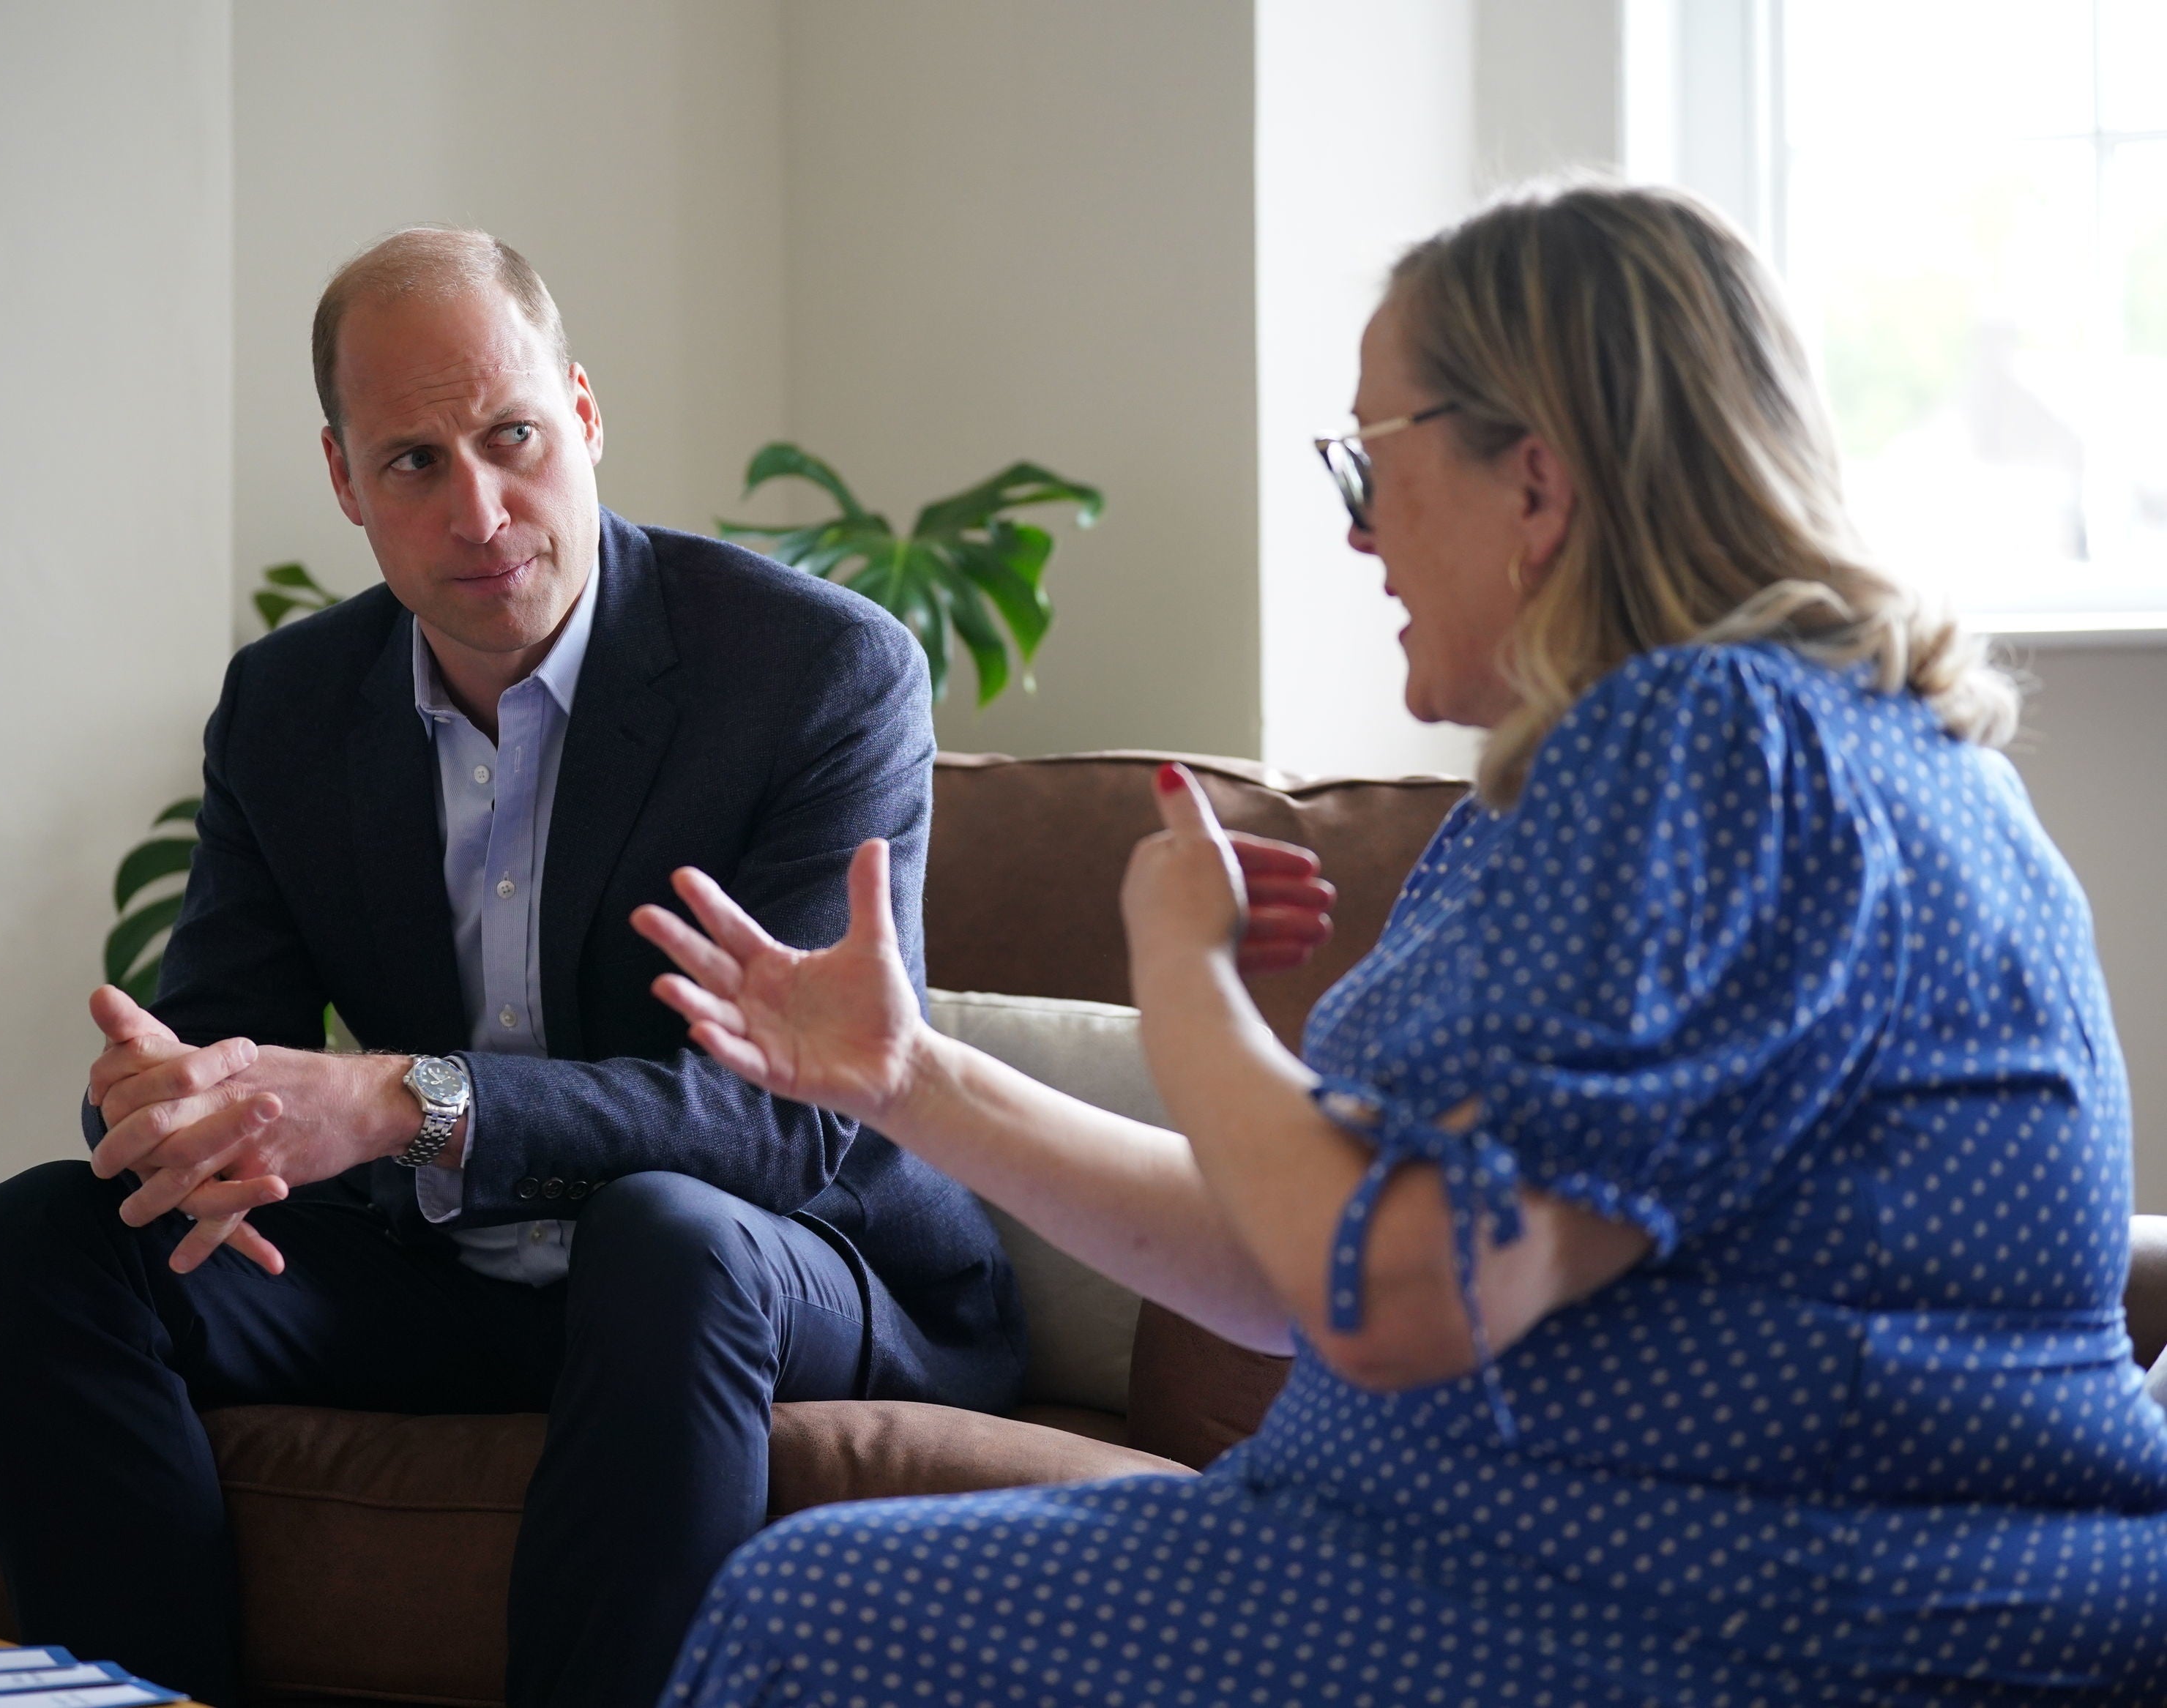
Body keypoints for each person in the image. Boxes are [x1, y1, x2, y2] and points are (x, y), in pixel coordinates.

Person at [633, 182, 2167, 1704]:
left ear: (1538, 487)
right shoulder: (1728, 761)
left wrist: (1181, 978)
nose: (1358, 530)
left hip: (1723, 1604)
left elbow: (1393, 1296)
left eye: (1370, 460)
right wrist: (911, 1080)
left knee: (809, 1622)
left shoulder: (1709, 751)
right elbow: (1301, 1263)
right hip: (1600, 1561)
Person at [0, 226, 1023, 1708]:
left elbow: (787, 1120)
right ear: (343, 482)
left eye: (511, 437)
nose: (481, 508)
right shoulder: (288, 705)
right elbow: (225, 1048)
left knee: (668, 1234)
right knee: (38, 1241)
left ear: (580, 414)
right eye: (412, 463)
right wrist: (172, 1105)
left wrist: (411, 1100)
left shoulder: (811, 673)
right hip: (446, 1273)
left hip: (791, 1254)